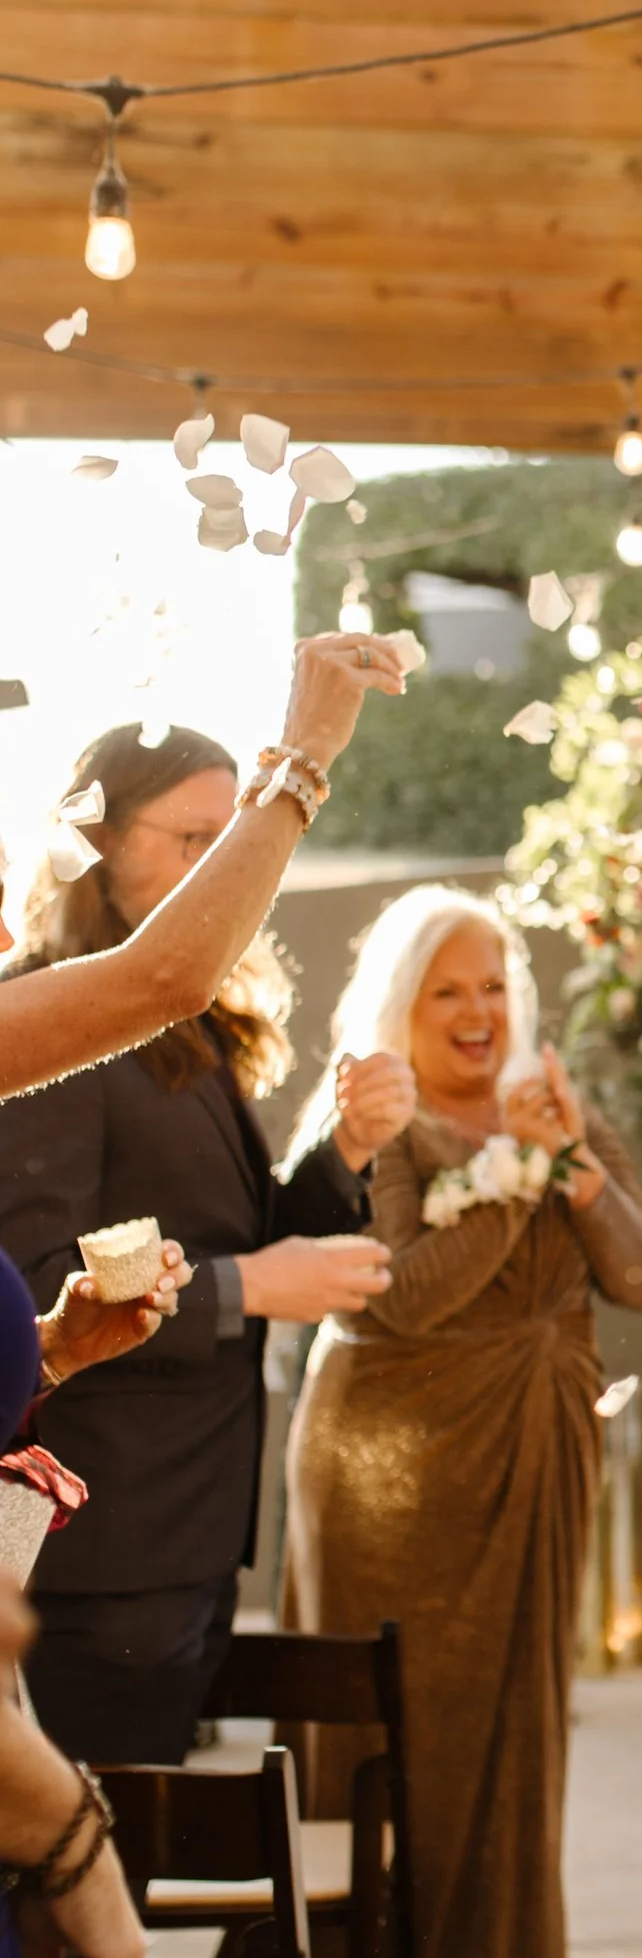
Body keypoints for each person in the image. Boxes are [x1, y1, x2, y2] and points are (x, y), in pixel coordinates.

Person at [0, 629, 396, 1958]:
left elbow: (117, 1289)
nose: (191, 889)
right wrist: (309, 750)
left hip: (146, 1532)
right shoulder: (62, 1043)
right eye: (171, 848)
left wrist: (310, 1191)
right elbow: (127, 1272)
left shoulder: (167, 1040)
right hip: (90, 1567)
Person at [283, 889, 642, 1958]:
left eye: (494, 985)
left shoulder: (546, 1109)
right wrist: (517, 1180)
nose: (478, 1012)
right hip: (386, 1474)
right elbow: (404, 1301)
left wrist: (569, 1165)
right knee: (387, 1754)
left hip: (527, 1458)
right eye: (449, 989)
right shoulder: (379, 1126)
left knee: (512, 1757)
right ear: (402, 1001)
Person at [0, 722, 410, 1764]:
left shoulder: (196, 1026)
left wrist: (343, 1151)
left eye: (227, 840)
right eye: (191, 839)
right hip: (104, 1545)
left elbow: (246, 1233)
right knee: (92, 1884)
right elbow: (45, 1285)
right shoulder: (49, 1021)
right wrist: (251, 1290)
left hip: (192, 1532)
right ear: (96, 842)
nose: (217, 869)